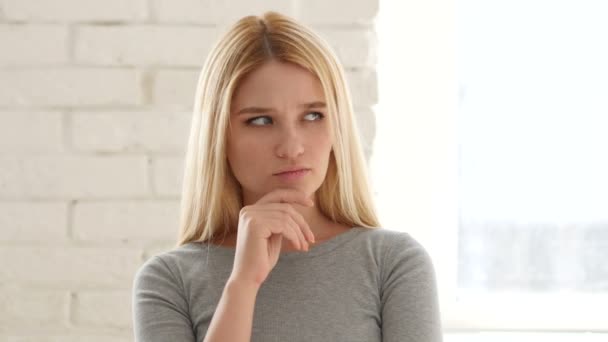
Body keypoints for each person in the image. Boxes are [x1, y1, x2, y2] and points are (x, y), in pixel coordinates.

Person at [132, 11, 442, 342]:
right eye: (261, 121)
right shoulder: (169, 281)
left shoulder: (393, 264)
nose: (292, 147)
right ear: (219, 137)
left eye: (312, 115)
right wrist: (243, 284)